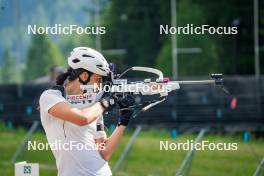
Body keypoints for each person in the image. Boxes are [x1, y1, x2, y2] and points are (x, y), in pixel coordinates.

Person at [39, 47, 134, 176]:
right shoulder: (50, 97)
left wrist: (123, 121)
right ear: (84, 76)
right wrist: (106, 102)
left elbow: (103, 153)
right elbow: (82, 119)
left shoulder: (94, 106)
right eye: (98, 80)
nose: (100, 86)